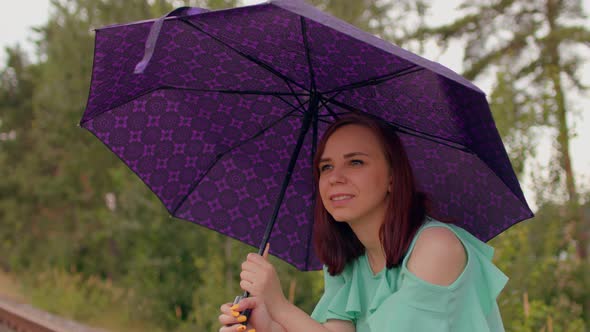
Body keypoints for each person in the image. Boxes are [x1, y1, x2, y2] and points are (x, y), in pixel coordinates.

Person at [218, 114, 508, 332]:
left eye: (355, 162)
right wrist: (268, 324)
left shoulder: (436, 248)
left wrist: (281, 306)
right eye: (326, 167)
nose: (335, 177)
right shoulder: (350, 263)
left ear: (393, 177)